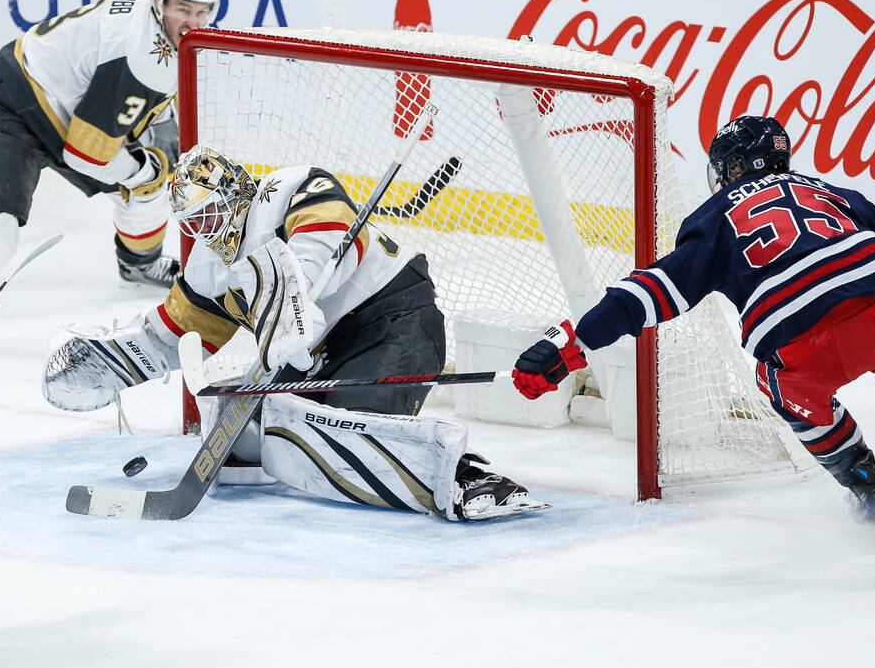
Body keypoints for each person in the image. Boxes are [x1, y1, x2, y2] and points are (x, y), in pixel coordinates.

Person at [512, 115, 875, 540]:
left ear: (732, 169)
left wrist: (573, 343)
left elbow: (651, 290)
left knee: (777, 386)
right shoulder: (834, 192)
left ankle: (874, 496)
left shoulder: (715, 214)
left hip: (801, 343)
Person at [44, 145, 548, 521]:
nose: (207, 227)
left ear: (236, 189)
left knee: (342, 435)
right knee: (259, 429)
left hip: (396, 320)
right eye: (195, 221)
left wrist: (294, 302)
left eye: (211, 211)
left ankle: (469, 478)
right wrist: (117, 359)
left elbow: (330, 235)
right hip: (318, 347)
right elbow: (175, 332)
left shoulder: (289, 187)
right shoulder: (207, 266)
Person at [0, 0, 220, 293]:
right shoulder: (141, 59)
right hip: (7, 111)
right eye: (183, 9)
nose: (193, 22)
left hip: (62, 111)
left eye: (202, 11)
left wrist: (160, 130)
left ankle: (139, 265)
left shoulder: (141, 1)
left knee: (147, 187)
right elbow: (85, 155)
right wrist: (149, 169)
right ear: (159, 0)